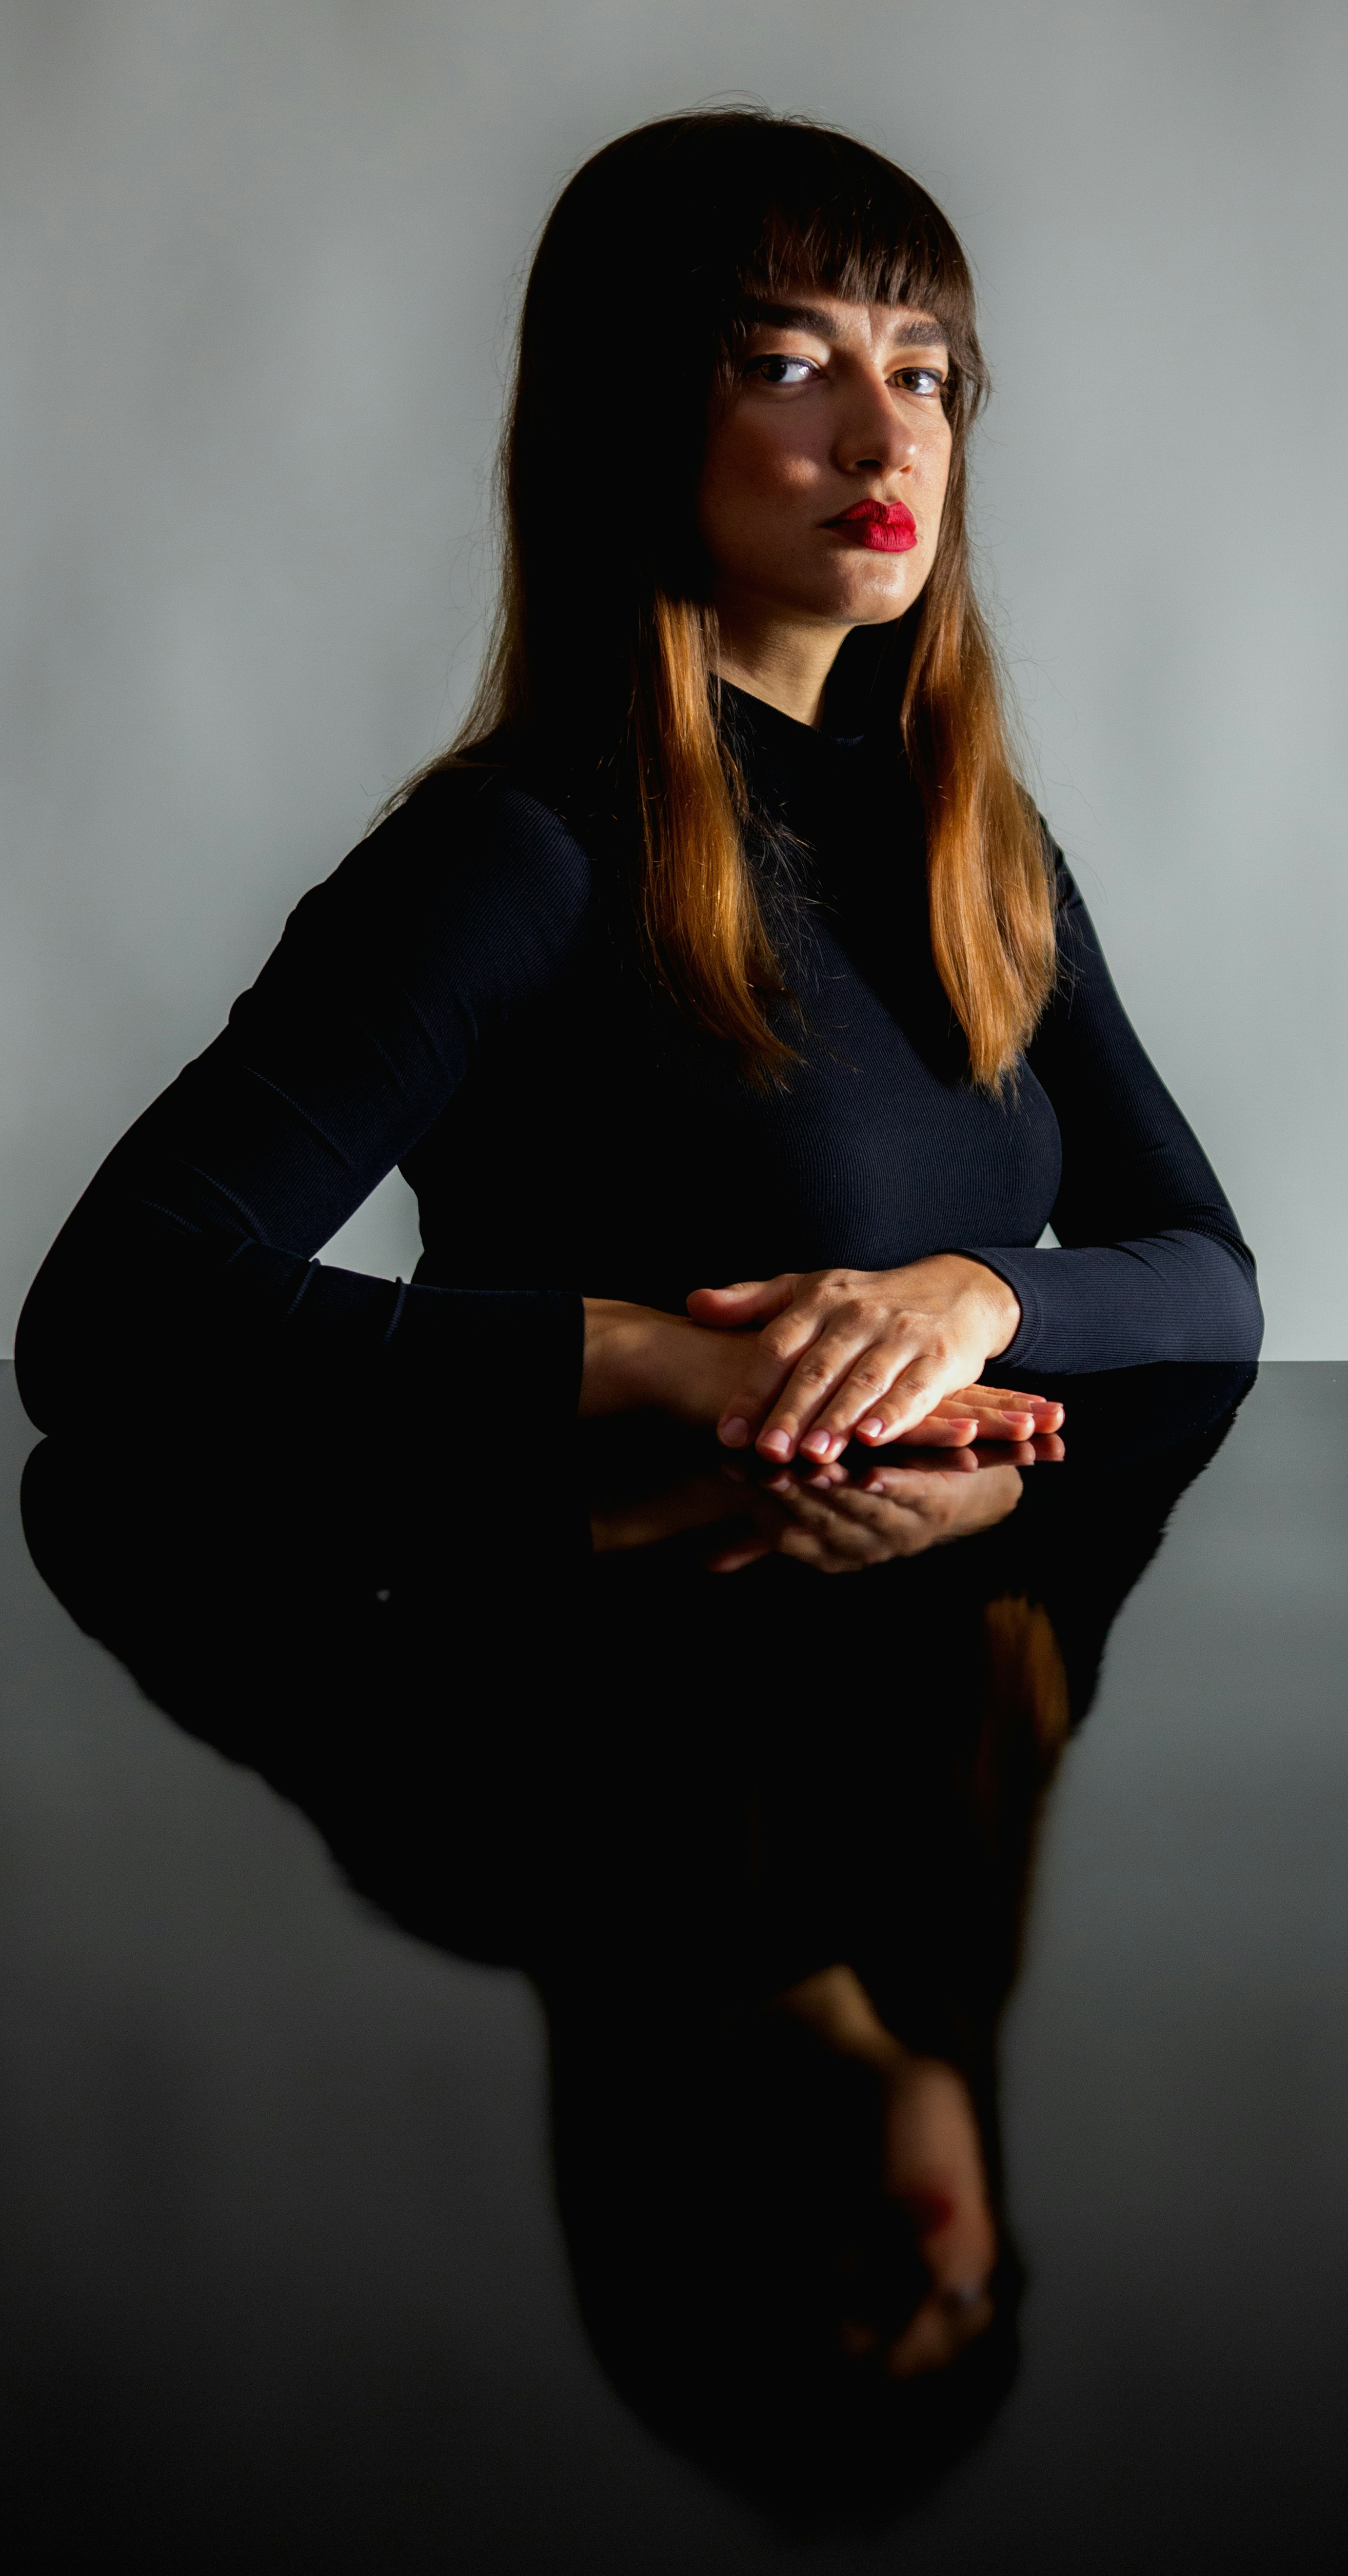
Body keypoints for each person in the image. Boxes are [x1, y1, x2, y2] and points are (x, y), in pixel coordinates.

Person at [15, 110, 1262, 1455]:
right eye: (788, 366)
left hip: (924, 1644)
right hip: (595, 1641)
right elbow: (113, 1307)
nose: (881, 440)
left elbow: (1206, 1278)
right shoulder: (516, 850)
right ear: (629, 411)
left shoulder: (977, 848)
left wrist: (975, 1301)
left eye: (923, 376)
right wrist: (643, 1353)